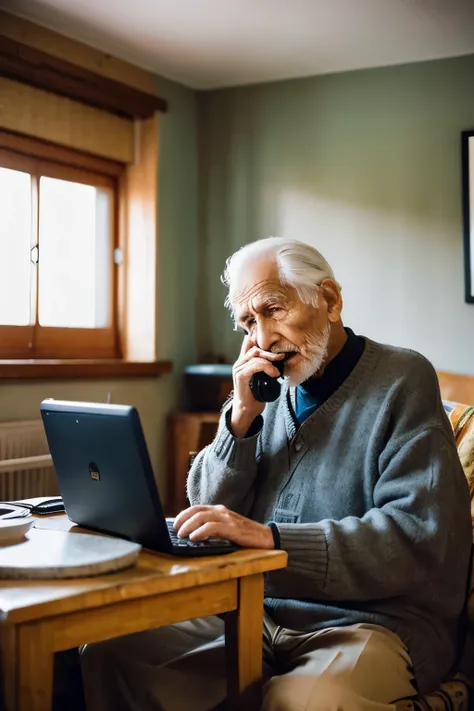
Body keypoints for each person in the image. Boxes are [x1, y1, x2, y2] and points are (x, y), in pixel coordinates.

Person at [81, 237, 472, 711]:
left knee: (301, 703)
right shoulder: (269, 390)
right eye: (249, 322)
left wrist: (272, 539)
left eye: (274, 310)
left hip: (375, 622)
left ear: (329, 300)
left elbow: (416, 537)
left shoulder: (404, 379)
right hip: (256, 612)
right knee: (111, 652)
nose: (263, 339)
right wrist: (239, 420)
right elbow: (204, 505)